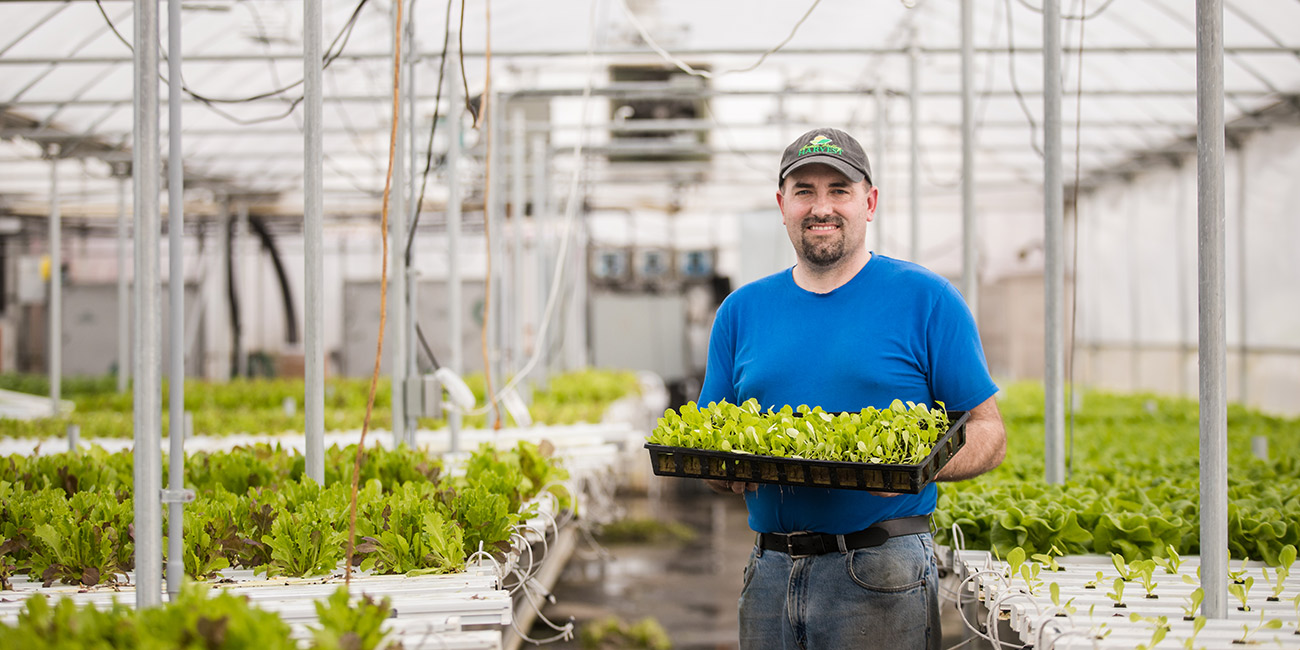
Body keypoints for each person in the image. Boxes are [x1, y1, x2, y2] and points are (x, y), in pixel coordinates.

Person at [697, 127, 1006, 650]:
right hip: (769, 571)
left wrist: (918, 468)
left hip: (881, 570)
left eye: (839, 190)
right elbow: (708, 439)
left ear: (870, 201)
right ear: (782, 205)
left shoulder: (925, 299)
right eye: (804, 191)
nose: (822, 207)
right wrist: (721, 471)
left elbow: (987, 431)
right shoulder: (741, 312)